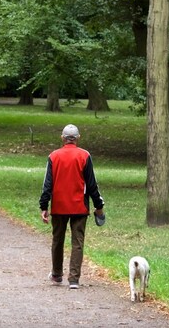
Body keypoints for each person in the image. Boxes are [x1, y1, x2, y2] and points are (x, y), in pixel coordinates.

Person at [39, 123, 105, 290]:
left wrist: (44, 206)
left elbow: (47, 184)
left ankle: (56, 274)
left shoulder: (53, 156)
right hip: (79, 207)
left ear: (62, 138)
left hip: (59, 206)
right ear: (78, 138)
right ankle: (74, 279)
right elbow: (92, 184)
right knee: (77, 242)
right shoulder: (84, 156)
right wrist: (99, 206)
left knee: (57, 240)